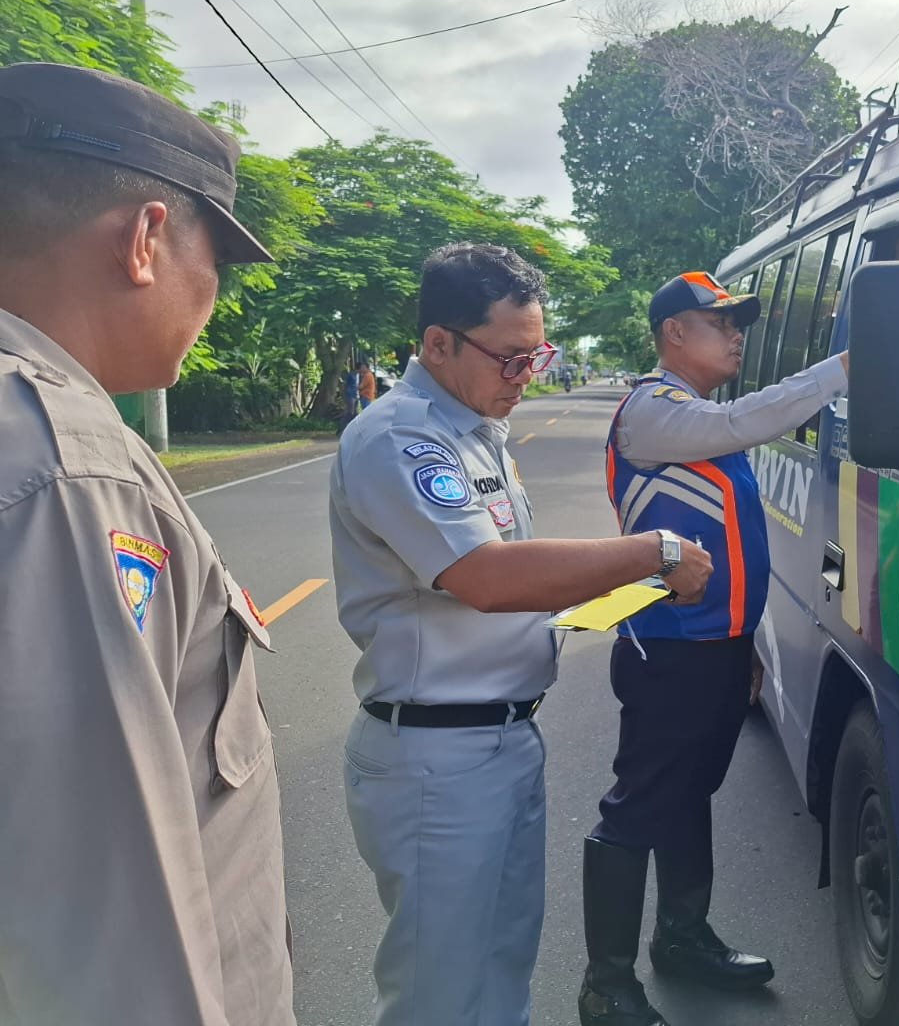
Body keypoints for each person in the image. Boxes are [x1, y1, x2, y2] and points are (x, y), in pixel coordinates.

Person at [329, 242, 712, 1026]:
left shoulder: (477, 432)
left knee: (502, 970)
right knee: (440, 996)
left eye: (537, 356)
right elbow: (488, 577)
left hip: (502, 741)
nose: (526, 376)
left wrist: (615, 593)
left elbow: (521, 583)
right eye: (509, 358)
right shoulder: (399, 438)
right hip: (437, 759)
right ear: (438, 343)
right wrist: (655, 552)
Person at [0, 62, 294, 1024]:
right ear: (146, 238)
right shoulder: (69, 471)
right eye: (220, 260)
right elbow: (103, 948)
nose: (211, 295)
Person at [579, 271, 850, 1026]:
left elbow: (729, 544)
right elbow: (747, 421)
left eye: (739, 324)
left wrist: (746, 640)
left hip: (716, 647)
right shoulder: (653, 410)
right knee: (639, 807)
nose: (736, 337)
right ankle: (606, 984)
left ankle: (682, 938)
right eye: (720, 323)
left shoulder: (695, 418)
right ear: (674, 333)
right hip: (668, 649)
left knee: (689, 791)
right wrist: (843, 368)